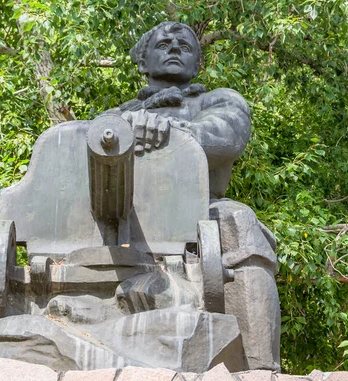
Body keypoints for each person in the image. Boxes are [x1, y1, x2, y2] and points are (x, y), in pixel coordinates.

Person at [106, 21, 281, 371]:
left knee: (240, 222)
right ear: (142, 63)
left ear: (197, 66)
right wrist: (127, 128)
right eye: (164, 43)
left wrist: (169, 131)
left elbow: (227, 135)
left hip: (202, 210)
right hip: (125, 214)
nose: (174, 48)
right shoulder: (115, 116)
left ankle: (261, 367)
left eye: (184, 46)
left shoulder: (216, 100)